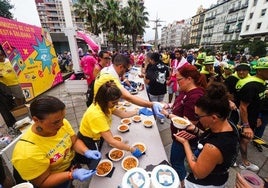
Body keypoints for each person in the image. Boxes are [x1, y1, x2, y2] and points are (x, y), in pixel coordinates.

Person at [11, 96, 101, 188]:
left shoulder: (62, 123)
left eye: (63, 118)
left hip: (69, 167)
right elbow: (42, 182)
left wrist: (86, 151)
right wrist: (71, 175)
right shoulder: (27, 152)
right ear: (36, 120)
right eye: (56, 122)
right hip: (53, 181)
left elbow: (74, 141)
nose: (62, 124)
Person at [173, 82, 239, 187]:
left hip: (203, 184)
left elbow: (198, 172)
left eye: (198, 116)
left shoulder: (212, 148)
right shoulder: (228, 125)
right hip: (220, 178)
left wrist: (185, 143)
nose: (197, 119)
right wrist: (195, 130)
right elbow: (211, 136)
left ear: (213, 118)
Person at [161, 64, 207, 187]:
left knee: (176, 162)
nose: (177, 82)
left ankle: (182, 183)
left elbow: (189, 124)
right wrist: (170, 106)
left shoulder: (195, 96)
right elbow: (178, 103)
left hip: (184, 136)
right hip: (178, 134)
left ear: (189, 79)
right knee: (177, 160)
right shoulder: (185, 90)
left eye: (179, 79)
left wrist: (168, 115)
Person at [77, 80, 143, 160]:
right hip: (88, 140)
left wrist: (138, 111)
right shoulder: (96, 115)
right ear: (104, 100)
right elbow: (112, 141)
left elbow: (122, 114)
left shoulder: (105, 105)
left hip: (98, 135)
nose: (117, 104)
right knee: (94, 159)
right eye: (114, 102)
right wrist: (131, 149)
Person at [93, 54, 164, 120]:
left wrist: (138, 111)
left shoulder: (107, 70)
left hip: (104, 106)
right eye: (126, 70)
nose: (125, 72)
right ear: (120, 67)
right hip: (100, 112)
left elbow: (122, 114)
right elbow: (128, 97)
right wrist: (151, 104)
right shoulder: (109, 76)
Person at [235, 57, 268, 171]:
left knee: (243, 140)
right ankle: (244, 162)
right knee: (244, 140)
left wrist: (258, 117)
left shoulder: (262, 83)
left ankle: (233, 158)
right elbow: (243, 107)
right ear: (259, 70)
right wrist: (246, 126)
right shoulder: (252, 85)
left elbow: (258, 102)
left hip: (253, 117)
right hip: (244, 119)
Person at [144, 52, 170, 123]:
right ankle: (162, 118)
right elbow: (168, 77)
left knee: (154, 104)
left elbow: (147, 81)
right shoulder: (165, 66)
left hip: (154, 90)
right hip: (162, 89)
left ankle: (155, 118)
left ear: (152, 59)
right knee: (161, 103)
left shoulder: (152, 67)